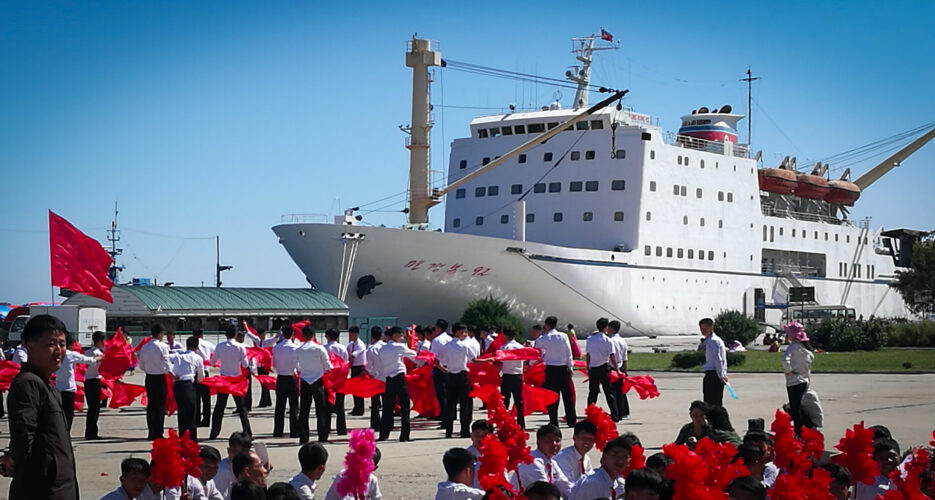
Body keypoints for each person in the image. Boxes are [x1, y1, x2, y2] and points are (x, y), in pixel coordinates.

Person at [1, 314, 80, 499]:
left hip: (60, 486)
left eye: (62, 344)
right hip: (43, 489)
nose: (58, 350)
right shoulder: (28, 383)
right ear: (29, 345)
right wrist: (13, 457)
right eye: (51, 344)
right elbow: (24, 432)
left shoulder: (47, 385)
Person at [210, 325, 253, 439]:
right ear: (235, 334)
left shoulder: (219, 346)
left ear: (225, 334)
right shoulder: (240, 347)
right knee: (241, 407)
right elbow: (245, 364)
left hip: (224, 378)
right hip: (236, 379)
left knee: (219, 407)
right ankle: (248, 432)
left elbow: (213, 361)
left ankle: (214, 432)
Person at [437, 323, 477, 439]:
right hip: (462, 376)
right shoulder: (464, 346)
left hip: (450, 376)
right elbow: (473, 359)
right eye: (463, 332)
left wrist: (444, 369)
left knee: (450, 404)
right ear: (457, 332)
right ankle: (464, 430)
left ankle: (448, 430)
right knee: (465, 405)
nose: (465, 334)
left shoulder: (446, 346)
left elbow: (437, 360)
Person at [54, 334, 101, 431]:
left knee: (59, 416)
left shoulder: (56, 353)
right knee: (68, 415)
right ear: (70, 345)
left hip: (57, 388)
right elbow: (89, 360)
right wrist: (101, 357)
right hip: (68, 389)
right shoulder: (71, 354)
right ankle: (65, 436)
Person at [378, 326, 417, 441]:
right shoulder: (399, 346)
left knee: (387, 407)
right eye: (400, 335)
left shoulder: (382, 349)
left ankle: (383, 434)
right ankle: (404, 435)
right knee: (405, 406)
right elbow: (413, 354)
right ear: (394, 335)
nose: (402, 338)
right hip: (399, 377)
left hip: (389, 378)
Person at [536, 316, 576, 428]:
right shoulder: (563, 336)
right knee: (567, 396)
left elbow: (537, 353)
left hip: (550, 369)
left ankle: (553, 420)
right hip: (563, 368)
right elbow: (569, 353)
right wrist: (570, 367)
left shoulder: (543, 338)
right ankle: (571, 420)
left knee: (552, 396)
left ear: (546, 325)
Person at [513, 425, 574, 497]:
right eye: (549, 441)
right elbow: (546, 493)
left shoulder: (552, 462)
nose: (554, 444)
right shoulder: (533, 462)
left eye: (557, 441)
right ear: (538, 442)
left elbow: (565, 485)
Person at [296, 327, 333, 444]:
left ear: (303, 335)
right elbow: (328, 366)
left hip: (305, 381)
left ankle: (303, 436)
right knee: (321, 410)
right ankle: (322, 435)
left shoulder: (299, 349)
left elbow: (297, 367)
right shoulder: (319, 348)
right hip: (317, 381)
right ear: (314, 335)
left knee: (304, 411)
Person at [568, 436, 632, 500]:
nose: (620, 461)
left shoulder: (616, 481)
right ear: (604, 457)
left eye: (624, 457)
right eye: (614, 455)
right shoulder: (594, 483)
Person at [139, 323, 173, 440]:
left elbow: (142, 365)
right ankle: (158, 432)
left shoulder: (145, 347)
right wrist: (171, 374)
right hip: (159, 377)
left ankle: (151, 431)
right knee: (160, 406)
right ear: (159, 334)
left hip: (149, 377)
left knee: (151, 406)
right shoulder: (162, 346)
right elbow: (166, 363)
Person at [781, 321, 814, 430]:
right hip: (804, 380)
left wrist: (789, 371)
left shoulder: (793, 346)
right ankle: (807, 425)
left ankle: (800, 429)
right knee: (798, 406)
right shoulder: (805, 348)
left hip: (794, 381)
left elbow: (785, 360)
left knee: (795, 408)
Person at [172, 335, 206, 440]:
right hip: (188, 384)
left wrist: (170, 373)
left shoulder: (177, 355)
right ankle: (191, 438)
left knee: (181, 413)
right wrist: (198, 380)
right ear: (196, 347)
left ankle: (182, 437)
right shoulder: (197, 358)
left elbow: (164, 359)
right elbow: (201, 376)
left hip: (177, 385)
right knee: (191, 412)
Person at [585, 318, 619, 421]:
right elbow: (612, 356)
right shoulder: (607, 340)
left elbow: (588, 354)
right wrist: (617, 369)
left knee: (592, 393)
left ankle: (590, 413)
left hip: (594, 368)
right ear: (606, 327)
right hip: (604, 367)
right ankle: (615, 415)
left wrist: (588, 366)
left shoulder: (590, 339)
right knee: (608, 392)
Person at [272, 325, 300, 438]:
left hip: (280, 377)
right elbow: (298, 366)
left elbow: (274, 363)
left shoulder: (276, 347)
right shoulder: (295, 348)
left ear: (282, 334)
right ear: (292, 334)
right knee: (293, 407)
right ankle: (294, 431)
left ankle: (278, 431)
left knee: (280, 406)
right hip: (291, 377)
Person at [497, 327, 526, 429]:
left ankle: (505, 422)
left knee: (505, 400)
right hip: (518, 375)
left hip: (507, 375)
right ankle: (521, 423)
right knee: (519, 401)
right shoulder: (520, 347)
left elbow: (499, 362)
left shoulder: (503, 348)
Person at [324, 328, 348, 435]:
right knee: (340, 405)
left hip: (328, 380)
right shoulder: (343, 348)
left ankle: (326, 428)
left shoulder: (324, 348)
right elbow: (346, 364)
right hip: (340, 379)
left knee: (327, 405)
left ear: (327, 337)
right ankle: (341, 429)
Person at [215, 431, 254, 499]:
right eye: (235, 451)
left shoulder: (251, 465)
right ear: (229, 450)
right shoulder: (221, 470)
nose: (238, 455)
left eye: (242, 452)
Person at [699, 318, 727, 406]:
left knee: (714, 402)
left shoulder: (714, 341)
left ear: (711, 328)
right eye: (701, 329)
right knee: (707, 402)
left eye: (705, 328)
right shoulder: (707, 341)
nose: (703, 331)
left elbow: (718, 359)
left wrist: (721, 375)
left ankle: (715, 419)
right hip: (709, 374)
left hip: (714, 375)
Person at [430, 319, 453, 423]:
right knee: (449, 394)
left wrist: (439, 367)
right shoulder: (450, 339)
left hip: (440, 368)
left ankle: (444, 417)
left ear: (438, 328)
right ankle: (451, 415)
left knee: (441, 394)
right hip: (450, 367)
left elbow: (433, 357)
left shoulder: (437, 340)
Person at [607, 320, 630, 420]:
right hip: (621, 366)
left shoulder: (610, 340)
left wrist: (616, 369)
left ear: (611, 328)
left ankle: (615, 412)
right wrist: (625, 370)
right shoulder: (622, 341)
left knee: (612, 392)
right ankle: (622, 411)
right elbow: (625, 357)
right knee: (621, 391)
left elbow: (610, 356)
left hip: (612, 368)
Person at [193, 328, 216, 427]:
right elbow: (215, 352)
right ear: (202, 334)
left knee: (196, 398)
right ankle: (206, 420)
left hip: (195, 372)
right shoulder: (208, 344)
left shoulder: (192, 344)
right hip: (205, 372)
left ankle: (196, 419)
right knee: (206, 399)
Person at [365, 326, 386, 431]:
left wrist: (371, 373)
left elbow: (369, 366)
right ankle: (387, 423)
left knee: (375, 404)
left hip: (376, 378)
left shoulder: (371, 349)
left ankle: (375, 424)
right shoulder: (386, 347)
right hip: (387, 377)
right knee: (387, 402)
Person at [346, 325, 368, 416]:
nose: (350, 336)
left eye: (351, 334)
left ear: (356, 334)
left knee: (359, 389)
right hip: (354, 368)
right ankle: (356, 407)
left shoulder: (360, 344)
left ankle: (360, 409)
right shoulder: (350, 344)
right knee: (354, 389)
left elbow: (353, 356)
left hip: (360, 368)